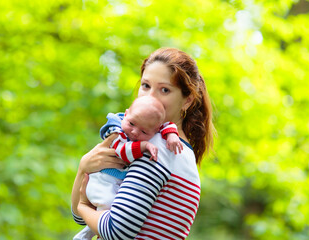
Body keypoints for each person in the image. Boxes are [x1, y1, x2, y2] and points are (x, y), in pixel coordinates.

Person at [71, 47, 215, 239]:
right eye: (146, 86)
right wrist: (84, 168)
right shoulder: (180, 151)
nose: (150, 97)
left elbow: (115, 231)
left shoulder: (158, 149)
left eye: (164, 90)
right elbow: (89, 216)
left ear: (187, 100)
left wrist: (82, 206)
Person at [73, 95, 183, 240]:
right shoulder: (117, 131)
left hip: (113, 182)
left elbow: (166, 125)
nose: (135, 132)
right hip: (102, 180)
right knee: (107, 209)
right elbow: (123, 152)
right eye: (131, 123)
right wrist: (144, 145)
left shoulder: (143, 122)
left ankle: (86, 234)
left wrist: (172, 135)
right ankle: (85, 235)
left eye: (144, 132)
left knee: (103, 211)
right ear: (125, 114)